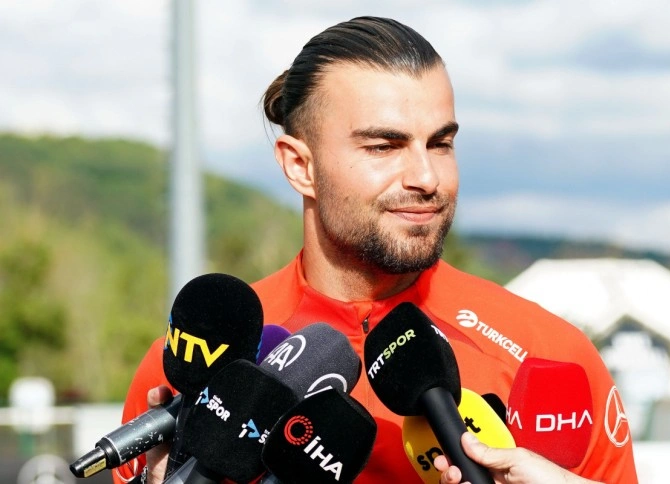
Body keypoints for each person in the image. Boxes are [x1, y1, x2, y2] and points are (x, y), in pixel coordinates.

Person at [115, 16, 639, 484]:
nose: (427, 178)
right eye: (384, 146)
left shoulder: (551, 357)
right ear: (300, 166)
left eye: (441, 143)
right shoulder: (191, 361)